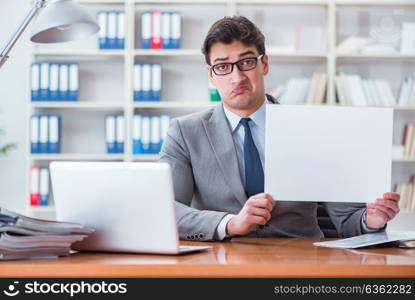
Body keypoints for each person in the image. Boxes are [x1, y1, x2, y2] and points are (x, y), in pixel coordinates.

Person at [159, 16, 400, 241]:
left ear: (264, 63)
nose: (237, 77)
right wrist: (230, 223)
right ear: (211, 75)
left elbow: (347, 220)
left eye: (246, 62)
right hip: (222, 262)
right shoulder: (185, 132)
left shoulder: (312, 129)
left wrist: (372, 220)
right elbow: (164, 208)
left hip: (299, 262)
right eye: (223, 67)